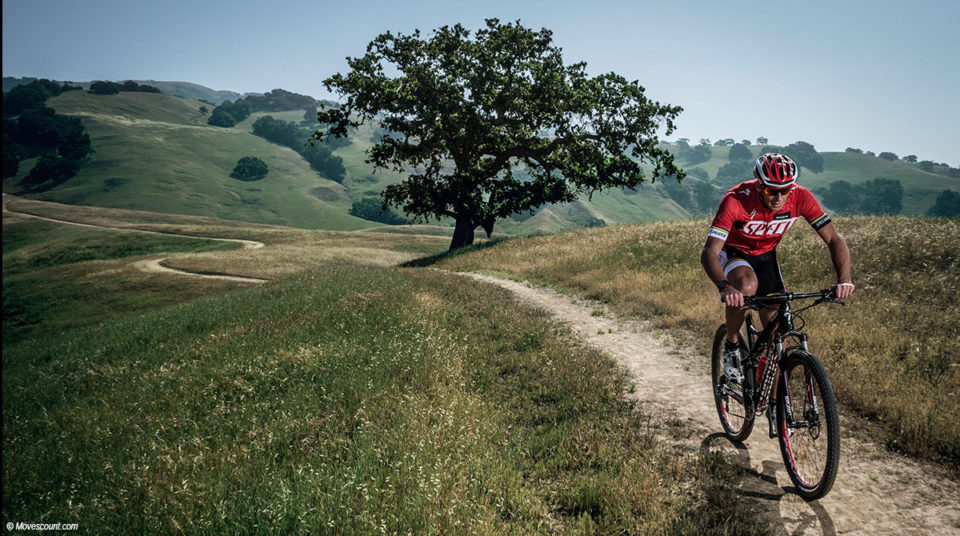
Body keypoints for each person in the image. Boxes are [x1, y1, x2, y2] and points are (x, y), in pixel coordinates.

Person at [700, 153, 854, 383]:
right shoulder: (736, 200)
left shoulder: (801, 197)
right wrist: (724, 286)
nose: (779, 197)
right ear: (759, 184)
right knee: (746, 286)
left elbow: (834, 239)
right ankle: (732, 345)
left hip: (766, 256)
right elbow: (710, 252)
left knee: (776, 328)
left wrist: (844, 279)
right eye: (772, 190)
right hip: (733, 251)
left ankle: (774, 404)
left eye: (785, 190)